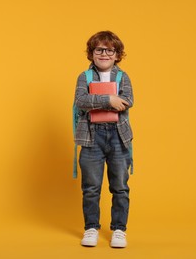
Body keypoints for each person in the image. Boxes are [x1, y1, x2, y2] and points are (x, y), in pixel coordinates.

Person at [73, 31, 134, 248]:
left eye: (110, 50)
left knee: (120, 186)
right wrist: (109, 99)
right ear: (91, 53)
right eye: (99, 49)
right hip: (91, 138)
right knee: (91, 187)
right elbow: (81, 100)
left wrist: (96, 101)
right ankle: (91, 228)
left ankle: (119, 229)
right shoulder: (85, 77)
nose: (104, 54)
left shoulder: (123, 77)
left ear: (117, 54)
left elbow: (127, 101)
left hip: (118, 137)